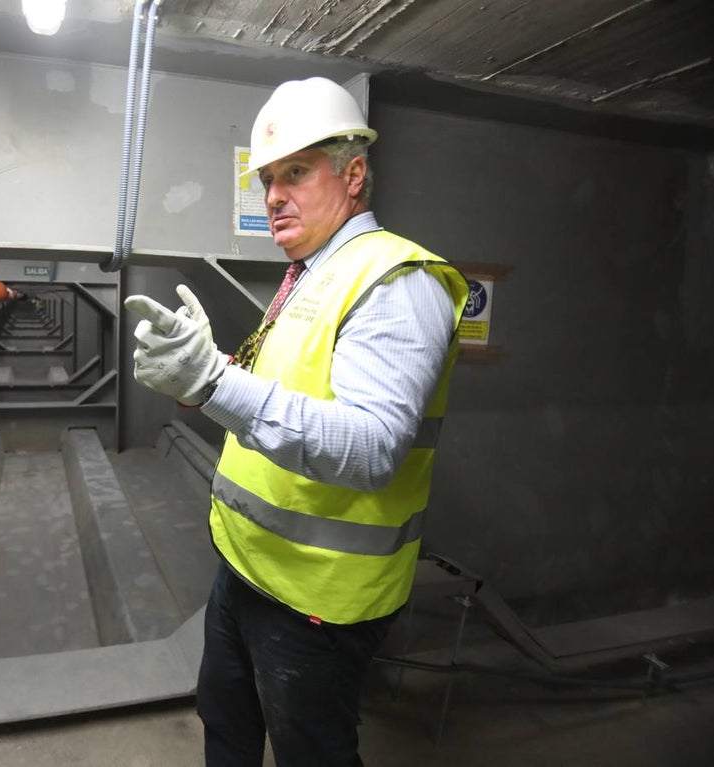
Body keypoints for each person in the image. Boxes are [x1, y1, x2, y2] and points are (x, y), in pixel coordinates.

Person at [124, 76, 470, 766]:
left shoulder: (396, 281)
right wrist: (204, 375)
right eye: (267, 180)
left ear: (354, 175)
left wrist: (214, 381)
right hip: (245, 571)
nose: (274, 195)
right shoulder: (311, 275)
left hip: (316, 601)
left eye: (296, 172)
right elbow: (289, 393)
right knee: (225, 726)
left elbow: (371, 446)